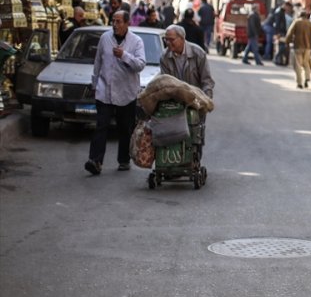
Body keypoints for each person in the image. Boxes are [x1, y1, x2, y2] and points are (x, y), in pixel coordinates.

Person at [85, 10, 146, 175]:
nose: (115, 24)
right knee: (101, 126)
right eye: (113, 21)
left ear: (127, 23)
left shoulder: (136, 41)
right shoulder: (105, 38)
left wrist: (124, 55)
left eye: (119, 21)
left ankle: (124, 160)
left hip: (126, 92)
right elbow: (98, 61)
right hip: (105, 90)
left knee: (124, 128)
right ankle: (95, 160)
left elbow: (140, 65)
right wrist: (94, 83)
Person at [160, 24, 215, 111]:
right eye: (166, 39)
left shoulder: (198, 53)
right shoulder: (164, 57)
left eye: (171, 40)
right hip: (176, 104)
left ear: (182, 38)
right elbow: (166, 83)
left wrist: (206, 101)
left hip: (197, 101)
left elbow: (207, 81)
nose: (168, 43)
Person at [286, 11, 311, 89]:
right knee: (306, 63)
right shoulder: (310, 23)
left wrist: (287, 42)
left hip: (298, 47)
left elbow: (289, 33)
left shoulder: (296, 22)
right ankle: (307, 78)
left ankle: (299, 83)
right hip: (307, 47)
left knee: (298, 65)